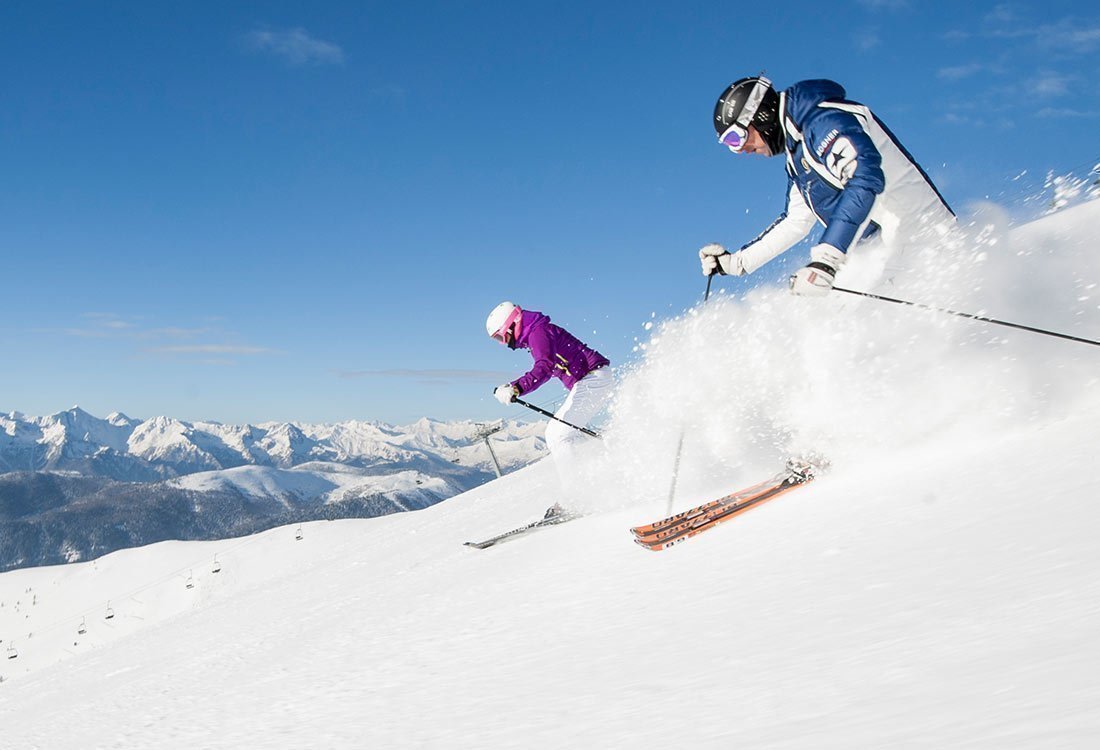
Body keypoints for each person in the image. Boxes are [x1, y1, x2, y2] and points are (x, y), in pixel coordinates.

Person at [699, 75, 955, 295]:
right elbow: (796, 220)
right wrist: (736, 263)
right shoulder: (797, 155)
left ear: (761, 116)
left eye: (737, 137)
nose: (741, 149)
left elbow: (865, 177)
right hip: (884, 256)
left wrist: (827, 259)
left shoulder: (823, 121)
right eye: (730, 145)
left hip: (924, 246)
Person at [485, 301, 613, 506]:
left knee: (557, 433)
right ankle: (600, 481)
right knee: (565, 433)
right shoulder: (536, 332)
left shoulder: (538, 332)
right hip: (593, 379)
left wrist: (516, 387)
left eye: (501, 336)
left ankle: (577, 497)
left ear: (512, 324)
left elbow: (544, 367)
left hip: (593, 378)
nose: (504, 343)